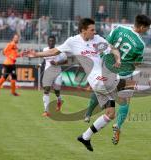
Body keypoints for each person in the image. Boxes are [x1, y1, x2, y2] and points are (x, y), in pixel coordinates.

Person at [24, 18, 121, 152]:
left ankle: (85, 137)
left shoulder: (98, 39)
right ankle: (140, 86)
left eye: (94, 29)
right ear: (83, 31)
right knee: (114, 80)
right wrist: (36, 54)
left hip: (102, 79)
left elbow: (113, 49)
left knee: (110, 114)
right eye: (91, 30)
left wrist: (118, 58)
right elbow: (54, 51)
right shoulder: (72, 41)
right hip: (96, 78)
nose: (95, 32)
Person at [84, 14, 151, 145]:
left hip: (106, 69)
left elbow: (106, 44)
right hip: (122, 74)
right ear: (141, 27)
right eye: (146, 28)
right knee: (126, 100)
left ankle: (88, 119)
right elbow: (136, 64)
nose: (147, 31)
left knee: (104, 99)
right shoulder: (140, 44)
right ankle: (118, 125)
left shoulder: (118, 29)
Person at [41, 35, 68, 117]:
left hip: (57, 73)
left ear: (55, 42)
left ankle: (59, 100)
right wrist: (40, 65)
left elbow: (66, 61)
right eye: (50, 41)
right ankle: (46, 111)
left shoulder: (59, 51)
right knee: (46, 90)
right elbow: (45, 61)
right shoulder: (45, 50)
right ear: (47, 42)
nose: (51, 42)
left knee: (57, 92)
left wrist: (57, 63)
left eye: (53, 41)